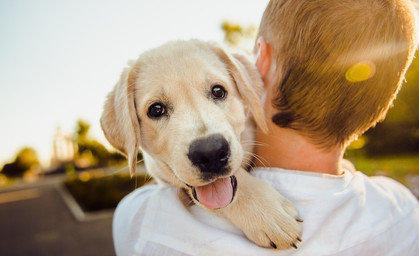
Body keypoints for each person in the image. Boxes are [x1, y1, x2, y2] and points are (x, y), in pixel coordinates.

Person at [112, 0, 419, 255]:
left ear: (259, 63)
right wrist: (240, 192)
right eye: (158, 110)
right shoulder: (403, 212)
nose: (205, 143)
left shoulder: (143, 223)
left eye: (217, 92)